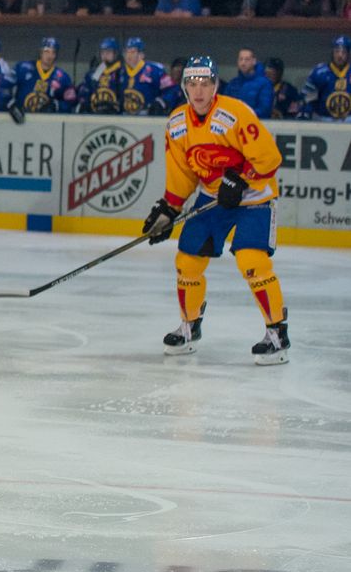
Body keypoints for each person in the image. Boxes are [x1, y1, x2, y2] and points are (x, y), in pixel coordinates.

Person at [142, 57, 289, 365]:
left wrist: (242, 179)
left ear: (215, 86)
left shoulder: (235, 114)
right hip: (213, 199)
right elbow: (182, 175)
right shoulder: (177, 124)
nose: (199, 91)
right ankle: (189, 325)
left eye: (205, 84)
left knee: (252, 261)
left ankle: (277, 333)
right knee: (187, 262)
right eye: (192, 84)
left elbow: (269, 157)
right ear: (184, 87)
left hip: (255, 199)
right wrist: (169, 208)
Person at [14, 37, 78, 114]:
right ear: (41, 52)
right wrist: (11, 104)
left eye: (53, 52)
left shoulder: (63, 78)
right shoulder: (22, 68)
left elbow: (71, 102)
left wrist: (56, 105)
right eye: (46, 52)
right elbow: (3, 86)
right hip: (21, 119)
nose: (49, 56)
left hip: (47, 123)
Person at [304, 36, 351, 122]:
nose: (340, 55)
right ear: (332, 53)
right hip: (323, 119)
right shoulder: (319, 72)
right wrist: (306, 112)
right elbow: (307, 97)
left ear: (348, 54)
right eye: (337, 51)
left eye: (343, 52)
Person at [221, 48, 274, 119]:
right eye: (241, 59)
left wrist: (245, 115)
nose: (243, 63)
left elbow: (265, 109)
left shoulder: (265, 83)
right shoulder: (233, 83)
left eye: (247, 59)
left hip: (256, 125)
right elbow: (224, 106)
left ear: (254, 61)